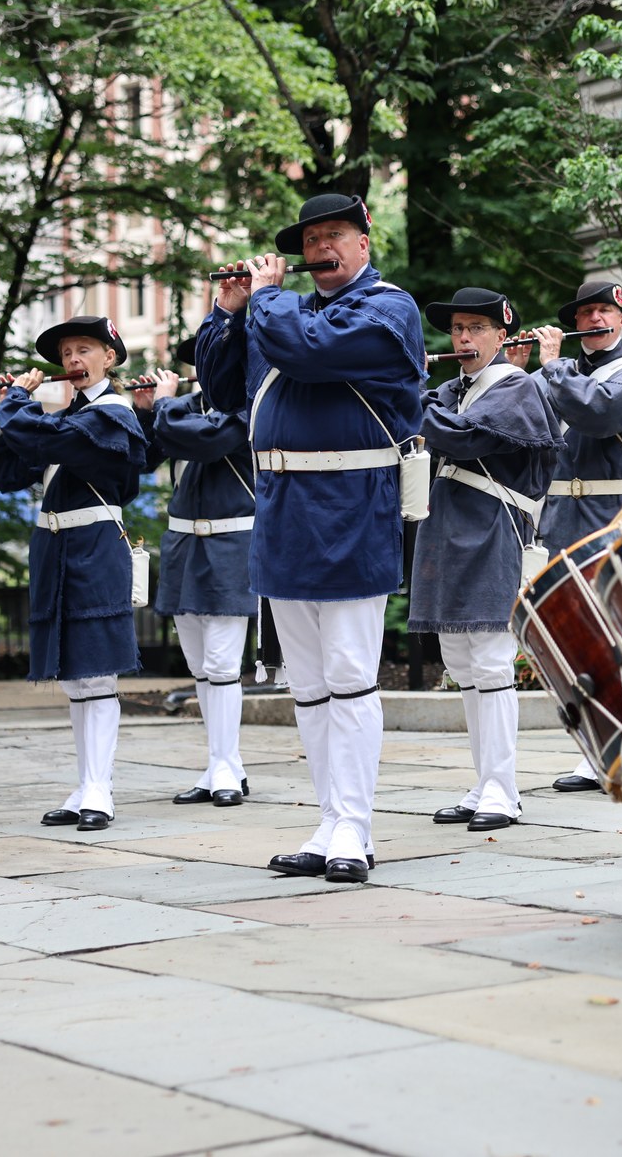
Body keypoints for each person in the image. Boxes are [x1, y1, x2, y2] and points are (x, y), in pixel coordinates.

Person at [198, 193, 425, 885]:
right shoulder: (284, 312)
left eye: (334, 236)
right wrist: (229, 314)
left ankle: (356, 826)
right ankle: (329, 820)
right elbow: (217, 384)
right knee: (309, 685)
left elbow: (307, 352)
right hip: (285, 510)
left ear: (363, 242)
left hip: (352, 507)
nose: (320, 249)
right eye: (310, 239)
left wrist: (266, 299)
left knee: (351, 678)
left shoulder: (387, 308)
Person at [0, 316, 146, 833]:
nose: (73, 361)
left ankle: (100, 788)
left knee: (97, 671)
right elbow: (2, 469)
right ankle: (86, 783)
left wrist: (15, 403)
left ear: (109, 358)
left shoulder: (112, 413)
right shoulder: (66, 417)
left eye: (85, 350)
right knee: (75, 676)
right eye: (67, 353)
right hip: (57, 547)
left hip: (94, 545)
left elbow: (41, 435)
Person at [413, 287, 562, 834]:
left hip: (495, 533)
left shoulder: (516, 387)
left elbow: (461, 439)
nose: (463, 339)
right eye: (457, 330)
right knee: (463, 664)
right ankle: (483, 783)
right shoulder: (454, 390)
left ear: (503, 337)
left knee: (493, 662)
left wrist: (415, 394)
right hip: (448, 534)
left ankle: (504, 789)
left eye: (476, 328)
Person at [530, 279, 622, 795]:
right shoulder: (562, 376)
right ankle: (599, 749)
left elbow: (596, 411)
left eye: (601, 311)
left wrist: (550, 366)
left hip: (617, 516)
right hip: (565, 520)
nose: (590, 321)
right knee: (582, 640)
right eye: (584, 312)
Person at [142, 337, 257, 808]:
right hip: (183, 542)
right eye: (202, 359)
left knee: (223, 663)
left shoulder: (250, 405)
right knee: (199, 666)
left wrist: (166, 407)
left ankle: (226, 765)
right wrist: (150, 412)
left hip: (232, 541)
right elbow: (144, 459)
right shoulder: (183, 407)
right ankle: (221, 763)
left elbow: (210, 442)